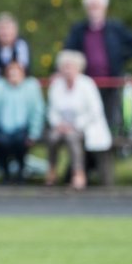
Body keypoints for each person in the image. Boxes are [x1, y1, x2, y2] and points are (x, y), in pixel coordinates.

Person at [62, 0, 132, 134]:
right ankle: (88, 155)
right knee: (87, 118)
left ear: (104, 7)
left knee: (109, 118)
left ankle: (109, 152)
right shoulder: (79, 30)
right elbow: (68, 52)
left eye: (97, 6)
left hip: (111, 82)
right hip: (86, 83)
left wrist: (120, 57)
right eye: (91, 6)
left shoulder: (115, 28)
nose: (94, 10)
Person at [45, 50, 112, 190]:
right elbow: (52, 110)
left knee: (71, 138)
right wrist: (58, 124)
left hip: (84, 127)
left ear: (78, 68)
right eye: (64, 67)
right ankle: (52, 170)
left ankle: (78, 173)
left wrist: (75, 125)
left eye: (70, 67)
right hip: (61, 126)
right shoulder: (56, 85)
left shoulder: (87, 84)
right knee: (52, 137)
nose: (67, 70)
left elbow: (95, 111)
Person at [0, 60, 45, 183]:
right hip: (3, 128)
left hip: (22, 128)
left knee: (20, 143)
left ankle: (21, 171)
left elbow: (37, 111)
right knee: (3, 142)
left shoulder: (31, 86)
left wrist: (33, 133)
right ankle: (5, 172)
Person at [0, 12, 31, 83]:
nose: (5, 33)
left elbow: (22, 67)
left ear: (15, 31)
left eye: (8, 29)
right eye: (2, 29)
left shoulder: (21, 44)